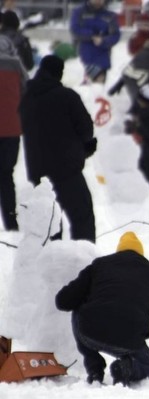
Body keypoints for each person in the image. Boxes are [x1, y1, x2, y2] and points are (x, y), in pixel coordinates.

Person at [55, 231, 149, 385]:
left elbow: (63, 301)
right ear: (141, 254)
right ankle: (127, 368)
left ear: (119, 251)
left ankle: (95, 370)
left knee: (78, 308)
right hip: (129, 341)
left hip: (90, 334)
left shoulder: (99, 265)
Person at [19, 55, 97, 242]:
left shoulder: (26, 98)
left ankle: (52, 258)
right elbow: (86, 130)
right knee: (82, 218)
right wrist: (85, 148)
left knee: (49, 224)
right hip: (67, 170)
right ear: (59, 73)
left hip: (38, 173)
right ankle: (83, 257)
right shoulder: (68, 97)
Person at [0, 31, 25, 232]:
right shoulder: (16, 65)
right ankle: (11, 223)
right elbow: (26, 92)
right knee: (6, 175)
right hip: (11, 129)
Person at [69, 0, 120, 83]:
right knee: (84, 86)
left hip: (102, 57)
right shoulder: (79, 12)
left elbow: (115, 35)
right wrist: (91, 35)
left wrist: (103, 40)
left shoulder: (110, 15)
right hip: (83, 56)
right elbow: (75, 30)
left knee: (97, 86)